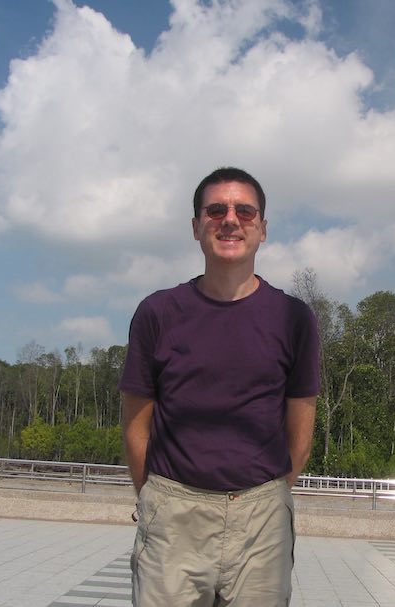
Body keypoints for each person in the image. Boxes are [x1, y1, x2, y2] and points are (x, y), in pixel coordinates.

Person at [119, 166, 320, 606]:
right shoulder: (158, 313)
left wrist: (269, 497)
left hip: (261, 520)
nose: (231, 220)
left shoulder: (293, 318)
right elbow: (136, 427)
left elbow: (300, 434)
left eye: (245, 211)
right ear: (196, 227)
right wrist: (154, 498)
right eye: (216, 210)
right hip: (174, 515)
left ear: (262, 229)